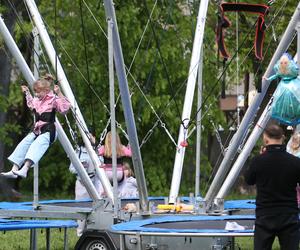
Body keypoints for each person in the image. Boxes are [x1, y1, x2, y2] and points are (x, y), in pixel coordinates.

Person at [1, 74, 71, 179]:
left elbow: (64, 109)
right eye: (35, 92)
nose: (37, 94)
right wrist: (27, 92)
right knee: (24, 144)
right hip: (37, 130)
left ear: (46, 90)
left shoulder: (53, 99)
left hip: (49, 130)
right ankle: (14, 170)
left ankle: (25, 169)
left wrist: (59, 93)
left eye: (38, 92)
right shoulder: (37, 100)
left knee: (36, 146)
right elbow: (30, 105)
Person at [244, 123, 300, 250]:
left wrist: (261, 157)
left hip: (265, 215)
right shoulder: (295, 162)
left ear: (265, 139)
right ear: (283, 138)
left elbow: (249, 180)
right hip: (288, 214)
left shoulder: (258, 161)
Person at [69, 134, 103, 236]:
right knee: (81, 209)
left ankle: (92, 232)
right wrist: (81, 168)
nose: (92, 138)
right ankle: (80, 234)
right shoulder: (78, 151)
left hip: (95, 182)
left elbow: (102, 165)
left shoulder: (97, 151)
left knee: (96, 208)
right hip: (81, 183)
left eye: (93, 136)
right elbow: (71, 168)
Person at [264, 53, 300, 126]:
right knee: (281, 101)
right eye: (282, 63)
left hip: (291, 86)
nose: (283, 64)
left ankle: (292, 113)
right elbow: (275, 76)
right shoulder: (282, 71)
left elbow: (275, 76)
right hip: (286, 86)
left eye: (285, 63)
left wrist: (268, 79)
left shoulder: (292, 69)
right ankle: (288, 113)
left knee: (294, 99)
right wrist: (267, 79)